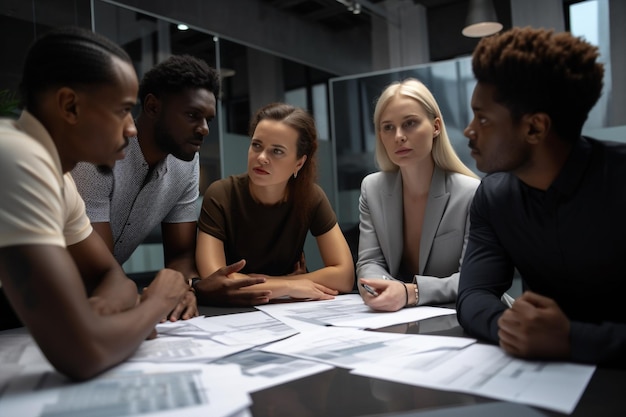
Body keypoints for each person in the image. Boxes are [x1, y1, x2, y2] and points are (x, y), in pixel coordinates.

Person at [0, 26, 190, 380]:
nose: (132, 129)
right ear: (69, 106)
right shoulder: (17, 157)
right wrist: (157, 302)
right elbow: (82, 354)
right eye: (121, 111)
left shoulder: (60, 179)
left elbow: (112, 277)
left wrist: (102, 310)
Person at [456, 27, 626, 367]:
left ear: (535, 128)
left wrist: (572, 340)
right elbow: (473, 294)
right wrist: (507, 325)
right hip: (544, 384)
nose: (469, 130)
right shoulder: (493, 196)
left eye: (484, 118)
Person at [72, 55, 269, 311]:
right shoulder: (99, 154)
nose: (204, 129)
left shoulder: (186, 163)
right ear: (153, 106)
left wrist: (183, 289)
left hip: (99, 302)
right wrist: (158, 298)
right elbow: (96, 270)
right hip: (37, 298)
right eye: (192, 115)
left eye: (208, 119)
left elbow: (181, 255)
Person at [195, 102, 354, 301]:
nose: (261, 157)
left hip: (290, 312)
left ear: (299, 163)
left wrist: (275, 283)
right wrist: (287, 285)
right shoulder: (221, 194)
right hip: (234, 312)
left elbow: (345, 276)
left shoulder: (311, 197)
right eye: (256, 145)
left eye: (277, 151)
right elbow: (214, 280)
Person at [357, 78, 480, 312]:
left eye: (410, 123)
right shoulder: (371, 189)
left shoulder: (471, 193)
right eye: (388, 127)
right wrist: (382, 290)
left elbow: (474, 278)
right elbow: (370, 262)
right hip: (401, 322)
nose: (399, 136)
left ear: (436, 127)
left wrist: (410, 293)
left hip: (464, 317)